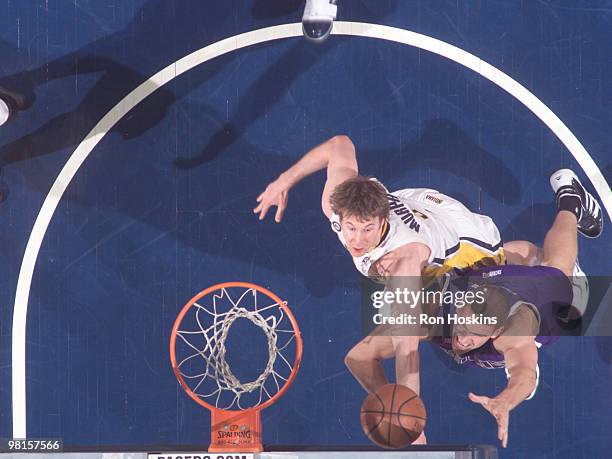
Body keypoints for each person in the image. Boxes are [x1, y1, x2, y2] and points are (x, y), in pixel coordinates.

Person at [254, 134, 506, 443]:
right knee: (356, 359)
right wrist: (284, 181)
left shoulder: (403, 266)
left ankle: (565, 227)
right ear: (340, 216)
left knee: (520, 297)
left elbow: (407, 348)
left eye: (367, 230)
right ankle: (391, 406)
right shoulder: (338, 202)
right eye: (351, 229)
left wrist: (414, 426)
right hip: (417, 205)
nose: (357, 241)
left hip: (466, 247)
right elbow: (339, 145)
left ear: (381, 219)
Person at [368, 168, 602, 448]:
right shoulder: (455, 295)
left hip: (559, 300)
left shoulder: (515, 334)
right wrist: (394, 400)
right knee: (510, 253)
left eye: (475, 336)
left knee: (559, 272)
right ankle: (540, 246)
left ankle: (570, 200)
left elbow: (525, 374)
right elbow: (361, 355)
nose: (463, 339)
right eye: (463, 326)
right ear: (462, 303)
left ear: (495, 333)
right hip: (502, 279)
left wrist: (506, 400)